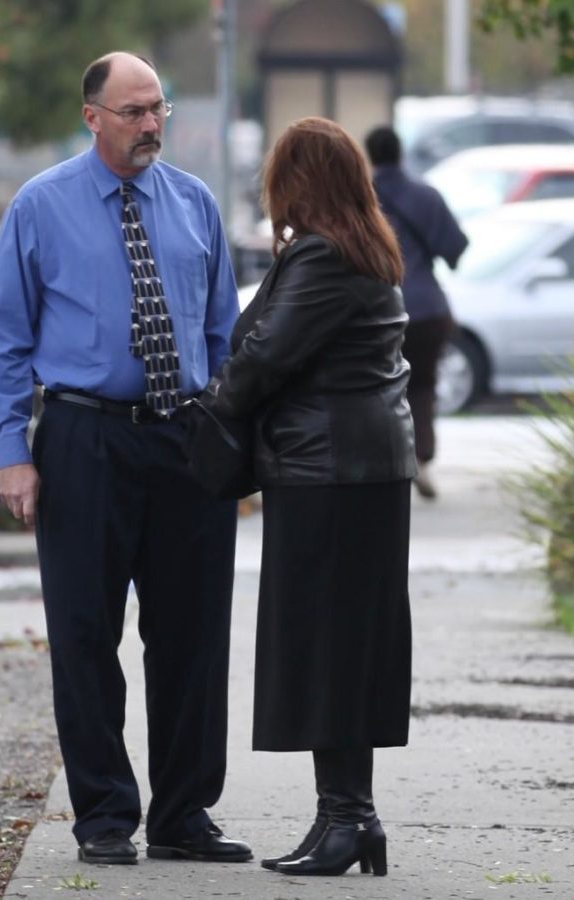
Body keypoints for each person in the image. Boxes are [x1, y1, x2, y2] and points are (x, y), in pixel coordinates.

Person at [0, 51, 252, 867]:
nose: (151, 125)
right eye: (133, 111)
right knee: (87, 633)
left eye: (158, 108)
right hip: (83, 440)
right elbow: (3, 345)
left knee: (193, 634)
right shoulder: (40, 206)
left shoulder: (195, 204)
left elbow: (219, 336)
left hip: (184, 440)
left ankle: (183, 815)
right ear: (92, 116)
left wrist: (225, 437)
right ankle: (102, 814)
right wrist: (11, 453)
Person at [206, 117, 416, 877]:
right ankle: (345, 817)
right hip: (365, 470)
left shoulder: (323, 254)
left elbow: (262, 354)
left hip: (324, 471)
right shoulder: (367, 245)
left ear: (297, 180)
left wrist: (215, 403)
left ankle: (347, 818)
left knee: (326, 646)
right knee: (349, 646)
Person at [364, 125, 468, 499]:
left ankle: (387, 463)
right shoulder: (426, 197)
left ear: (371, 156)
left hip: (376, 311)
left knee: (379, 388)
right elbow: (455, 248)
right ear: (400, 153)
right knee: (422, 385)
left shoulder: (362, 199)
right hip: (428, 310)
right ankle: (421, 459)